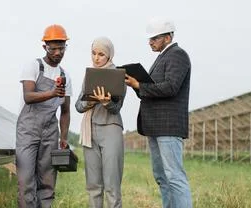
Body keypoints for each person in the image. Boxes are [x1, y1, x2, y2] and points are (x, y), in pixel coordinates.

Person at [125, 17, 192, 208]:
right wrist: (136, 86)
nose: (150, 42)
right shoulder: (162, 57)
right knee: (162, 177)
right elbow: (152, 90)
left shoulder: (178, 55)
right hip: (156, 127)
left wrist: (140, 85)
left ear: (168, 37)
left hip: (168, 126)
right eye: (150, 39)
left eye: (154, 38)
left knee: (174, 177)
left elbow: (171, 87)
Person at [16, 24, 72, 208]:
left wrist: (63, 137)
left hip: (50, 132)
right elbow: (28, 96)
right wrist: (53, 92)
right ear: (44, 47)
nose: (57, 52)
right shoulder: (33, 66)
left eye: (61, 47)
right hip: (28, 130)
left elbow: (65, 111)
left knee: (47, 181)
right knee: (26, 180)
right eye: (52, 48)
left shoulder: (65, 75)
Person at [75, 37, 126, 208]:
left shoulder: (118, 75)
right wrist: (89, 102)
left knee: (112, 185)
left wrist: (106, 102)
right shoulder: (89, 75)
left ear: (109, 55)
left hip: (111, 129)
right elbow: (78, 105)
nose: (96, 58)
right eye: (93, 53)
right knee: (93, 185)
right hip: (90, 130)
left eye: (101, 54)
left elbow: (117, 107)